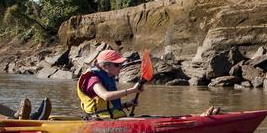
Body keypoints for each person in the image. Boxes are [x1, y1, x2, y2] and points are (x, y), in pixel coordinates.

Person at [77, 49, 220, 119]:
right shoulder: (93, 79)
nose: (120, 68)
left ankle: (200, 117)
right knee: (151, 120)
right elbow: (106, 96)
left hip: (114, 118)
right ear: (106, 66)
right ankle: (200, 119)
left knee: (152, 118)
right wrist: (132, 90)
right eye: (117, 65)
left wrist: (126, 104)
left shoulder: (106, 76)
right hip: (101, 122)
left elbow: (110, 103)